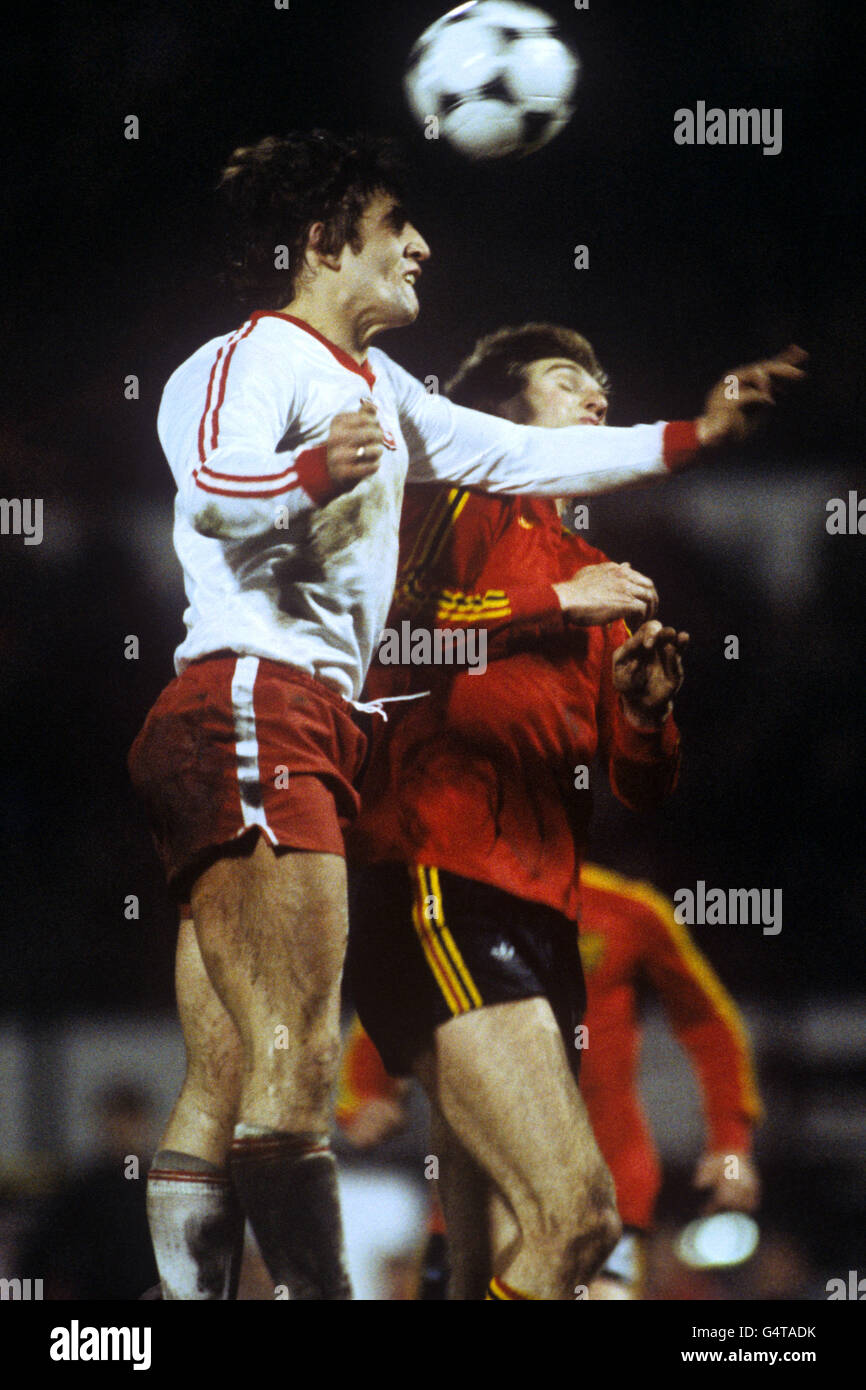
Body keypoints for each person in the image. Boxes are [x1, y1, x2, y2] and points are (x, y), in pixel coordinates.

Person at [129, 128, 805, 1300]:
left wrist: (698, 438)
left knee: (242, 1066)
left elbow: (528, 460)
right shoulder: (252, 360)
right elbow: (213, 487)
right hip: (280, 723)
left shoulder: (387, 396)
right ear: (324, 241)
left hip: (337, 750)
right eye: (398, 225)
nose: (422, 245)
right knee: (293, 1076)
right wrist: (312, 479)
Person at [575, 863, 761, 1298]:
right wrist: (378, 1090)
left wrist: (730, 1144)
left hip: (606, 1178)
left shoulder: (629, 911)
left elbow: (709, 1023)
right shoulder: (449, 907)